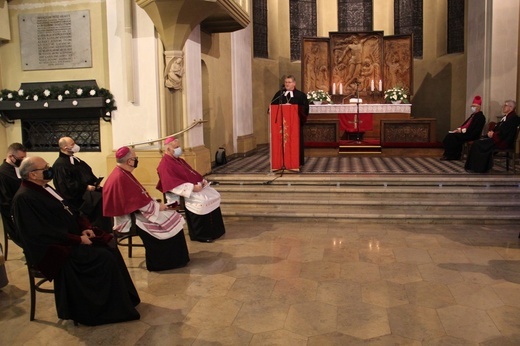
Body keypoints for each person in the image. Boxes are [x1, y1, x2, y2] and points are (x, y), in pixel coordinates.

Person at [12, 156, 140, 325]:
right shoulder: (24, 198)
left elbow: (72, 210)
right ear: (32, 175)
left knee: (110, 245)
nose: (49, 169)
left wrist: (84, 227)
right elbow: (40, 232)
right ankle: (100, 311)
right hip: (54, 249)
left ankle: (125, 301)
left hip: (72, 238)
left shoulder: (45, 188)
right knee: (104, 257)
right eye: (45, 167)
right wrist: (77, 239)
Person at [102, 146, 190, 271]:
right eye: (135, 158)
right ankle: (167, 262)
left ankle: (178, 258)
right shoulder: (120, 177)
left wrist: (154, 203)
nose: (136, 160)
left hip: (136, 212)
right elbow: (136, 204)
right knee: (170, 220)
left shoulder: (122, 172)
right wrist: (159, 206)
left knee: (172, 217)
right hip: (129, 219)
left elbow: (137, 198)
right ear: (129, 161)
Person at [156, 137, 225, 243]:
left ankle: (216, 231)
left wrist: (202, 181)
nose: (179, 149)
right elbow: (171, 185)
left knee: (214, 194)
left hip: (192, 189)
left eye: (179, 146)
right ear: (168, 149)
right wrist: (193, 187)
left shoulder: (179, 160)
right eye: (176, 147)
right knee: (202, 201)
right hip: (180, 194)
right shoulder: (165, 164)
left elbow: (192, 173)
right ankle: (201, 235)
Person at [52, 137, 111, 231]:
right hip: (77, 197)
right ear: (64, 148)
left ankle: (109, 227)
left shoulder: (75, 160)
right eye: (72, 144)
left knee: (106, 192)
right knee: (99, 199)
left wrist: (95, 182)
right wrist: (86, 187)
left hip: (87, 191)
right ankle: (98, 229)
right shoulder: (60, 165)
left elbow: (87, 173)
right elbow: (67, 186)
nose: (75, 145)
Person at [465, 100, 519, 173]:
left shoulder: (513, 118)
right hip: (498, 138)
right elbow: (499, 128)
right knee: (478, 142)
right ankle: (475, 167)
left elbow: (506, 132)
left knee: (478, 144)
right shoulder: (507, 117)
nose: (503, 107)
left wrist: (493, 135)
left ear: (511, 107)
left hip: (503, 141)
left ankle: (479, 168)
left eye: (505, 105)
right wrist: (492, 132)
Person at [270, 75, 310, 166]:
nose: (287, 84)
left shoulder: (301, 95)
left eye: (289, 82)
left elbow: (306, 108)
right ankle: (280, 161)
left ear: (294, 83)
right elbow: (272, 106)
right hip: (281, 125)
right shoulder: (279, 94)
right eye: (286, 82)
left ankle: (296, 161)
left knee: (295, 142)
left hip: (295, 125)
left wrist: (295, 108)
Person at [441, 95, 486, 160]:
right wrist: (458, 129)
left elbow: (474, 129)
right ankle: (450, 154)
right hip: (466, 132)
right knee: (450, 135)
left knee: (452, 137)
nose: (472, 108)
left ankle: (452, 155)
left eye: (474, 106)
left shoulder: (480, 117)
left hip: (471, 134)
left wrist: (461, 131)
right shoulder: (472, 116)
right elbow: (465, 125)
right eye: (472, 106)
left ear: (478, 107)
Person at [0, 143, 27, 248]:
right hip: (15, 212)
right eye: (21, 158)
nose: (23, 160)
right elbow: (5, 201)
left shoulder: (19, 168)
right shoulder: (2, 173)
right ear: (11, 157)